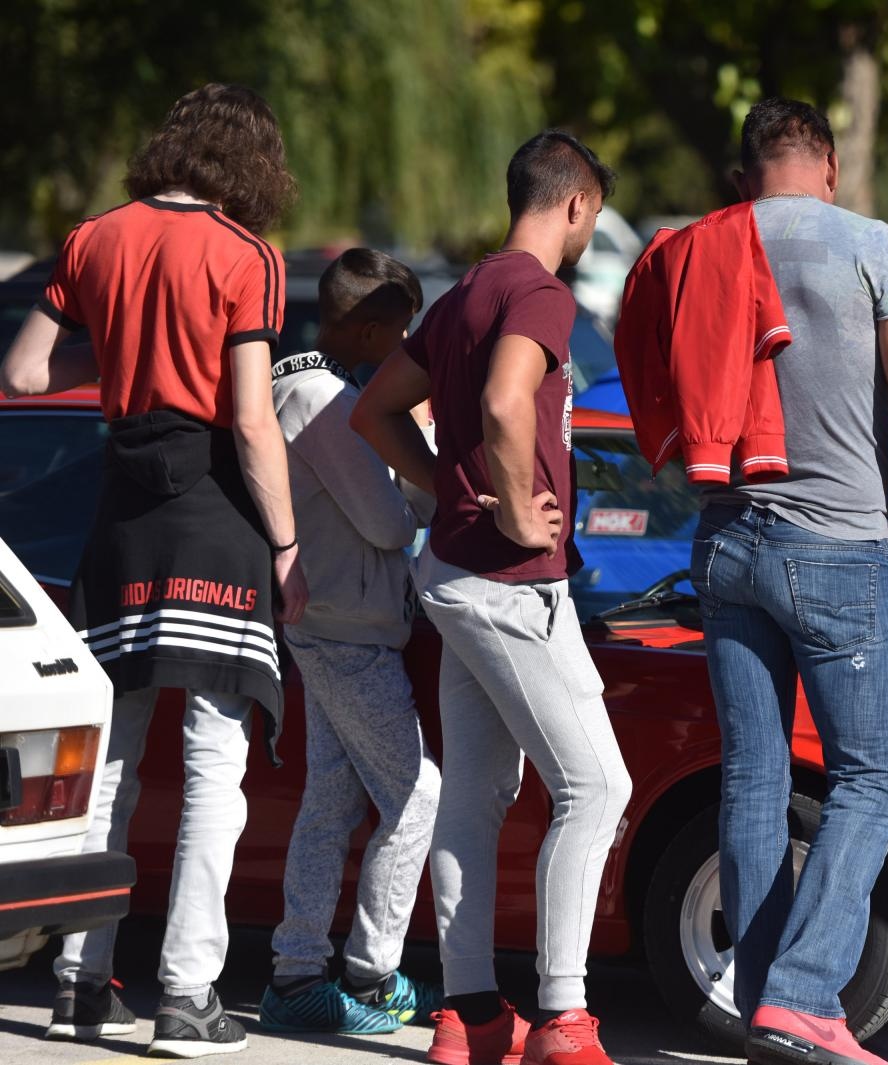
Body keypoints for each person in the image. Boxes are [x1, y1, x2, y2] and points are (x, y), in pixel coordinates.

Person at [0, 83, 304, 1057]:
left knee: (113, 762)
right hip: (213, 512)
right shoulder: (245, 255)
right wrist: (288, 543)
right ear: (250, 162)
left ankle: (83, 984)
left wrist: (127, 353)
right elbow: (253, 419)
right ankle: (186, 994)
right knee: (216, 761)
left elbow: (26, 374)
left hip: (121, 512)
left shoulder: (92, 241)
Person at [351, 130, 630, 1065]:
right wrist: (511, 507)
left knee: (476, 793)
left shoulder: (467, 289)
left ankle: (468, 1016)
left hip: (453, 574)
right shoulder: (538, 291)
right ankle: (563, 1018)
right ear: (578, 205)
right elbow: (512, 402)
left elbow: (374, 408)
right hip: (510, 584)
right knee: (598, 789)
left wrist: (448, 489)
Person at [690, 98, 888, 1065]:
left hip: (724, 539)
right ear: (828, 165)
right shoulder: (873, 243)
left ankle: (763, 999)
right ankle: (803, 995)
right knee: (874, 779)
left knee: (753, 779)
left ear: (744, 172)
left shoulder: (699, 245)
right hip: (838, 542)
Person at [258, 249, 443, 1035]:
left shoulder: (299, 380)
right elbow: (391, 521)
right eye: (401, 329)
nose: (407, 344)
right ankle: (370, 974)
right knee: (417, 790)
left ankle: (298, 969)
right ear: (367, 328)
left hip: (328, 622)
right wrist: (418, 444)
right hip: (347, 629)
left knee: (330, 800)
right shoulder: (326, 399)